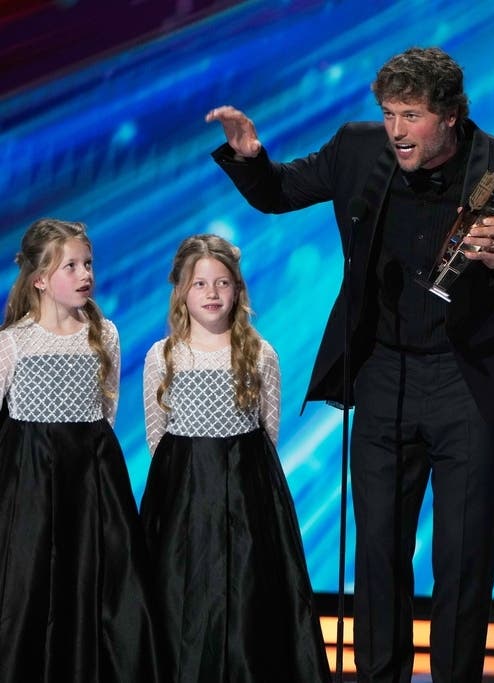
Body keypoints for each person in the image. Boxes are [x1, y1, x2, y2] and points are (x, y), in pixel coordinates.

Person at [206, 46, 494, 682]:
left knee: (462, 559)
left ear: (451, 116)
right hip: (381, 374)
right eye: (389, 114)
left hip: (468, 386)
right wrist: (249, 158)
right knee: (378, 551)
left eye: (411, 116)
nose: (397, 130)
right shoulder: (357, 149)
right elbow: (280, 191)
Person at [138, 234, 331, 683]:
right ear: (182, 291)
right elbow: (157, 436)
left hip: (247, 500)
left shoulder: (260, 355)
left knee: (247, 600)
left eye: (222, 283)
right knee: (180, 599)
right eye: (200, 284)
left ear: (238, 289)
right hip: (183, 504)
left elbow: (268, 432)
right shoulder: (163, 356)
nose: (212, 294)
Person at [0, 218, 161, 683]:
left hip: (92, 479)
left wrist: (91, 462)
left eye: (87, 263)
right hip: (31, 479)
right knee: (30, 584)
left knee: (98, 582)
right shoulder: (14, 342)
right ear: (40, 279)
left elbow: (105, 405)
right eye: (70, 266)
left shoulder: (103, 334)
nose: (84, 273)